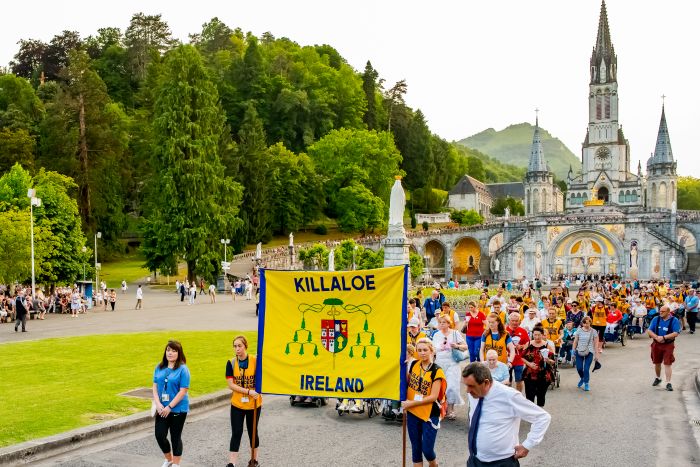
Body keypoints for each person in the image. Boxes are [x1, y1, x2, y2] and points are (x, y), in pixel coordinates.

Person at [463, 362, 551, 466]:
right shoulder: (474, 394)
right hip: (475, 460)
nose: (467, 390)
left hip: (502, 462)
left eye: (471, 386)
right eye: (466, 385)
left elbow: (542, 417)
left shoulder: (509, 396)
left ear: (486, 383)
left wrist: (527, 445)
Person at [401, 338, 445, 467]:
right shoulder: (414, 365)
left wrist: (410, 403)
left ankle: (434, 464)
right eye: (419, 350)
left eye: (425, 350)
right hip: (413, 412)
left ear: (431, 350)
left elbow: (433, 397)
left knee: (427, 449)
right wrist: (403, 369)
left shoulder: (437, 371)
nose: (422, 353)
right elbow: (408, 383)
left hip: (429, 414)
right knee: (416, 447)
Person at [152, 340, 190, 467]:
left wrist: (170, 406)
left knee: (175, 437)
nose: (170, 353)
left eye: (174, 351)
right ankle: (169, 459)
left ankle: (176, 464)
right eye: (168, 350)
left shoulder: (183, 369)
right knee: (160, 435)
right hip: (161, 408)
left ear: (179, 353)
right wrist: (158, 404)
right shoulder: (159, 367)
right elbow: (155, 387)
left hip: (178, 409)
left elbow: (183, 391)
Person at [226, 335, 262, 467]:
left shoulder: (255, 360)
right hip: (237, 404)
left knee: (253, 433)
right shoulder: (231, 363)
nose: (237, 349)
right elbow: (231, 384)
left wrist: (257, 391)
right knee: (236, 432)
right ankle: (232, 462)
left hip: (254, 404)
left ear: (245, 346)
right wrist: (248, 391)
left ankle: (254, 460)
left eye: (239, 346)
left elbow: (262, 379)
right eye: (235, 346)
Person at [431, 315, 466, 420]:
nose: (442, 324)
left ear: (448, 323)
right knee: (440, 387)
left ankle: (450, 409)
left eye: (444, 322)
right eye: (440, 322)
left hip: (452, 363)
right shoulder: (436, 335)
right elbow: (432, 349)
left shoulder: (455, 333)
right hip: (439, 363)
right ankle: (442, 408)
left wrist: (457, 346)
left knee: (452, 386)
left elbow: (465, 347)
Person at [647, 305, 681, 391]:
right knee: (657, 362)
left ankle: (668, 383)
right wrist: (656, 337)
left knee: (667, 363)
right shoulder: (656, 319)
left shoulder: (674, 320)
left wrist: (664, 337)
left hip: (668, 344)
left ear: (668, 312)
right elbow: (649, 330)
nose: (660, 313)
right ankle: (658, 378)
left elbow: (676, 333)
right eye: (660, 311)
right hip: (656, 344)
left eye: (663, 311)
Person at [521, 326, 555, 406]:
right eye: (535, 335)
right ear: (532, 335)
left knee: (541, 396)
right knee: (529, 396)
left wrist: (548, 360)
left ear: (542, 335)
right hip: (530, 374)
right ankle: (531, 415)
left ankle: (540, 415)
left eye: (539, 335)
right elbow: (522, 357)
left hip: (543, 374)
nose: (537, 337)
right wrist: (529, 364)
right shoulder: (528, 344)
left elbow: (553, 361)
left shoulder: (547, 345)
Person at [572, 316, 599, 391]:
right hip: (579, 351)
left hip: (589, 351)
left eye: (588, 323)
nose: (586, 325)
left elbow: (596, 344)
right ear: (582, 323)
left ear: (590, 323)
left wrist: (596, 354)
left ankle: (586, 383)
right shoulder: (579, 330)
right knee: (579, 368)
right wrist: (573, 351)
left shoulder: (594, 331)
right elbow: (575, 341)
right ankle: (582, 378)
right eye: (584, 323)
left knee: (586, 369)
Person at [505, 313, 530, 392]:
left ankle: (518, 396)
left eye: (516, 321)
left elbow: (527, 343)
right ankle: (508, 397)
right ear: (509, 321)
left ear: (519, 321)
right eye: (513, 321)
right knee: (507, 380)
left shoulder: (523, 331)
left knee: (519, 380)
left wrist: (522, 346)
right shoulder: (504, 331)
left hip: (519, 360)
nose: (514, 323)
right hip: (507, 359)